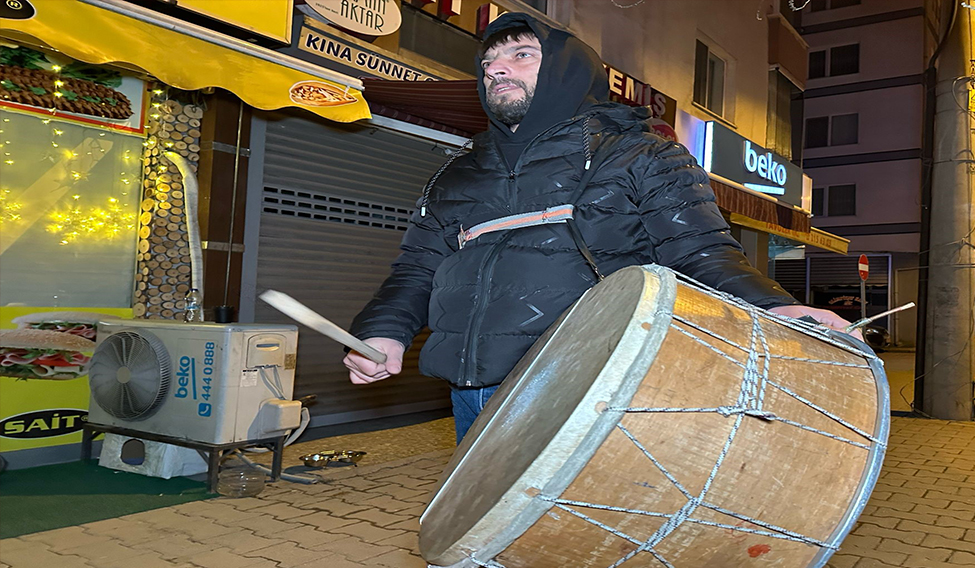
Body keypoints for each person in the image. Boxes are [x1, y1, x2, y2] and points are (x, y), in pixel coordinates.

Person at [344, 13, 855, 442]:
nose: (495, 68)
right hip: (474, 389)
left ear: (568, 70)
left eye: (521, 55)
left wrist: (776, 305)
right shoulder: (456, 173)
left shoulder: (640, 154)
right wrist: (383, 332)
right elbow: (416, 270)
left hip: (592, 380)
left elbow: (700, 252)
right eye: (488, 63)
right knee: (487, 537)